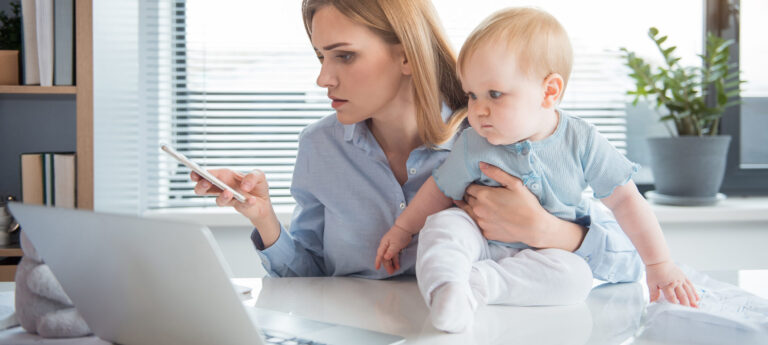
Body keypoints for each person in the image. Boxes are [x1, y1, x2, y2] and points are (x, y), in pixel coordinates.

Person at [191, 0, 640, 288]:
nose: (323, 78)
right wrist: (263, 217)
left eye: (344, 55)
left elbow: (630, 265)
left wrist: (548, 232)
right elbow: (313, 278)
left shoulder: (492, 132)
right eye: (320, 57)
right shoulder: (319, 147)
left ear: (407, 54)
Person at [374, 7, 699, 333]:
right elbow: (439, 189)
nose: (478, 109)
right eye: (471, 95)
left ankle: (476, 285)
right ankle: (445, 289)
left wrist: (659, 264)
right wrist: (403, 229)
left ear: (549, 91)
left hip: (544, 254)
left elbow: (627, 202)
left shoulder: (582, 140)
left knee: (576, 278)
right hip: (479, 238)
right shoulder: (474, 142)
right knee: (443, 227)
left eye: (495, 94)